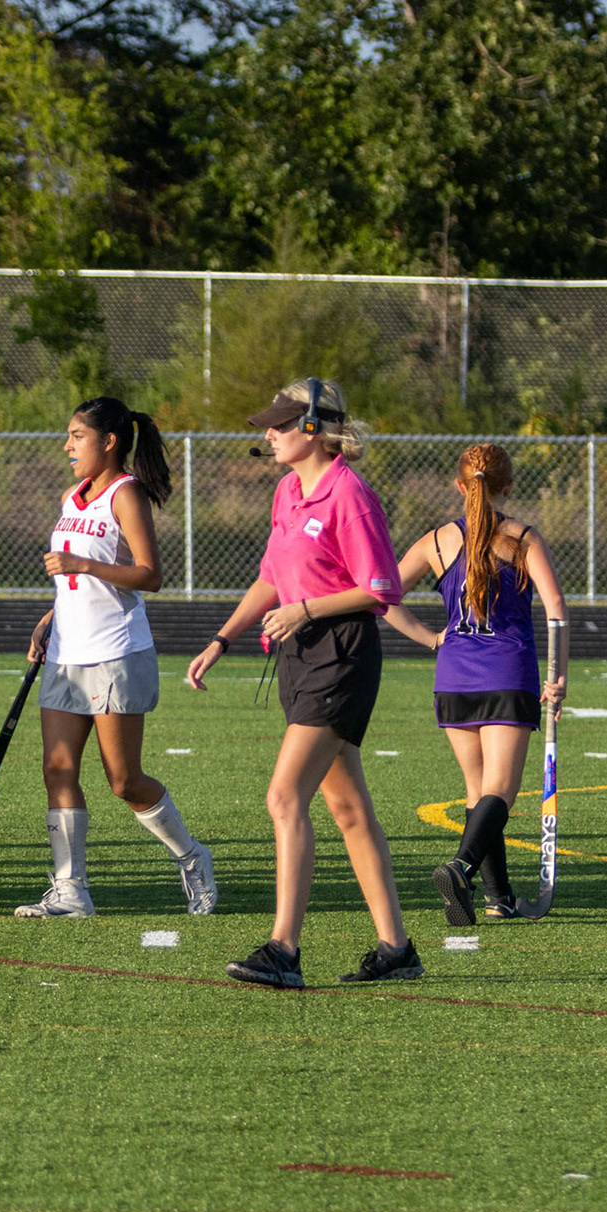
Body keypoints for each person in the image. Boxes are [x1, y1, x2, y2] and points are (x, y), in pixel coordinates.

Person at [185, 378, 421, 989]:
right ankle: (397, 949)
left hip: (341, 654)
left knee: (284, 796)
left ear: (314, 428)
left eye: (281, 423)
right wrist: (222, 639)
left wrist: (307, 609)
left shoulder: (350, 494)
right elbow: (271, 576)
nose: (269, 433)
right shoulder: (289, 490)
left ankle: (283, 949)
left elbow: (381, 587)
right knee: (347, 807)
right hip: (298, 653)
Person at [18, 397, 217, 919]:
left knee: (124, 781)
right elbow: (73, 580)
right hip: (67, 653)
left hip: (115, 653)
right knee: (57, 768)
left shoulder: (126, 493)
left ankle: (192, 856)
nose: (67, 445)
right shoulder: (72, 495)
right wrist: (50, 615)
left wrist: (82, 564)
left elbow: (150, 575)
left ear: (108, 441)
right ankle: (71, 890)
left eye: (77, 436)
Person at [379, 443, 568, 924]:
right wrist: (558, 675)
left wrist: (430, 638)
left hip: (454, 676)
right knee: (499, 791)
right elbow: (556, 611)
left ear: (460, 486)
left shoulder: (436, 540)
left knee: (477, 790)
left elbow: (383, 597)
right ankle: (461, 868)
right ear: (509, 486)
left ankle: (497, 897)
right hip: (507, 672)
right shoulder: (523, 538)